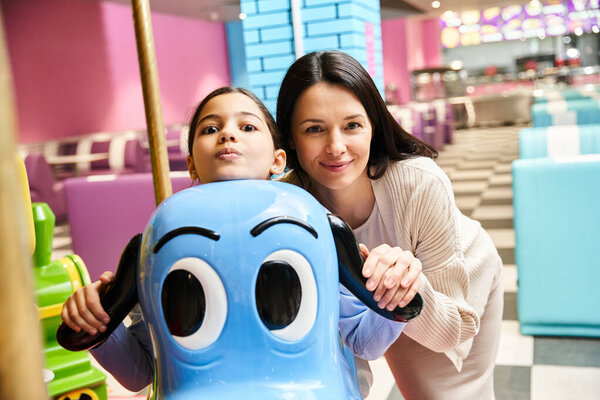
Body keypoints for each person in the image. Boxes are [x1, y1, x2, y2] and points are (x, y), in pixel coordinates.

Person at [60, 86, 420, 394]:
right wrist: (94, 323)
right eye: (210, 128)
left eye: (247, 126)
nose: (228, 135)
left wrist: (395, 288)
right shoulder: (163, 241)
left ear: (278, 160)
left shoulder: (308, 224)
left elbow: (366, 340)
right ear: (191, 164)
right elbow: (139, 372)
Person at [276, 50, 504, 400]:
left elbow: (450, 330)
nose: (336, 147)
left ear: (372, 127)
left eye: (352, 125)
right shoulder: (288, 203)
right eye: (314, 129)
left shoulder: (419, 183)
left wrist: (409, 288)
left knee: (440, 394)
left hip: (455, 290)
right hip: (390, 301)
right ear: (291, 138)